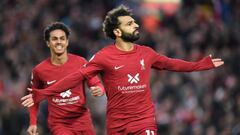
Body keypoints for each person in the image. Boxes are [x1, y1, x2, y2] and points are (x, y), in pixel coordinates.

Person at [21, 5, 224, 135]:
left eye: (133, 21)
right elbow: (76, 77)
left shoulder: (146, 53)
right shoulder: (103, 57)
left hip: (144, 121)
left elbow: (173, 64)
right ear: (117, 32)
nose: (136, 24)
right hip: (117, 125)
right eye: (129, 23)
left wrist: (202, 64)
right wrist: (43, 93)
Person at [23, 22, 104, 135]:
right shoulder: (39, 70)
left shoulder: (81, 62)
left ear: (67, 42)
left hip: (83, 120)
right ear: (48, 43)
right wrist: (33, 122)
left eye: (62, 38)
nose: (59, 42)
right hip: (60, 124)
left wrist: (99, 89)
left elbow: (95, 82)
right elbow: (33, 97)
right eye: (54, 39)